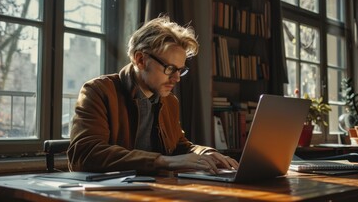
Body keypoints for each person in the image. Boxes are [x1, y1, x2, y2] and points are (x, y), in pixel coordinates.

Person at [67, 15, 239, 174]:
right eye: (170, 68)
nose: (176, 78)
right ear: (140, 60)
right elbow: (85, 154)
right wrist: (164, 161)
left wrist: (206, 153)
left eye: (180, 70)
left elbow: (180, 146)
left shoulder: (170, 101)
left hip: (156, 191)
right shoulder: (98, 91)